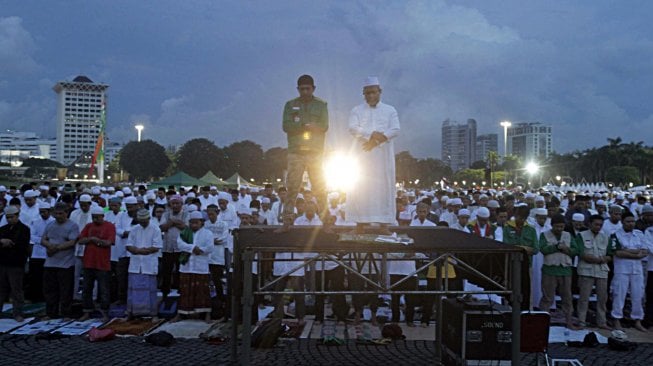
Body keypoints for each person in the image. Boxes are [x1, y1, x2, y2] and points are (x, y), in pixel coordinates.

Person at [347, 76, 400, 234]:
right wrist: (371, 134)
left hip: (383, 157)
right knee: (360, 187)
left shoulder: (390, 110)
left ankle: (384, 225)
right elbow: (352, 128)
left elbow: (395, 129)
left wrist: (376, 142)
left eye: (373, 92)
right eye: (367, 93)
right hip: (362, 156)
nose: (370, 96)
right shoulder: (356, 110)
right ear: (363, 93)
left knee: (383, 188)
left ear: (380, 92)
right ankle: (360, 225)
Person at [278, 74, 328, 231]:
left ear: (313, 88)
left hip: (315, 152)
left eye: (308, 88)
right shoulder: (290, 105)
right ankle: (287, 222)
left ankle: (327, 223)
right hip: (296, 151)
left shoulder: (321, 105)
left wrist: (306, 126)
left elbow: (325, 126)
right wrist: (305, 127)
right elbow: (286, 126)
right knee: (292, 187)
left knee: (319, 187)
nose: (305, 91)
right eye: (302, 89)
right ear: (297, 89)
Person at [538, 214, 580, 329]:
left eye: (561, 227)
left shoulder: (568, 235)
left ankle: (569, 322)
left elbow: (576, 250)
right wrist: (556, 247)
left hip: (565, 270)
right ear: (552, 226)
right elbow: (542, 249)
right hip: (549, 270)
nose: (559, 229)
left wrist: (566, 249)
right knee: (547, 298)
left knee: (567, 298)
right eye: (557, 227)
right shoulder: (544, 235)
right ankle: (542, 324)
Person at [172, 211, 214, 322]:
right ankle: (181, 313)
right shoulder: (185, 232)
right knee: (185, 291)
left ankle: (206, 314)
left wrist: (200, 250)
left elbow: (210, 247)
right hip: (186, 266)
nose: (194, 225)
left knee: (202, 291)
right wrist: (192, 248)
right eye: (191, 223)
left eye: (196, 222)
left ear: (202, 222)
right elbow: (180, 244)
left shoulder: (208, 233)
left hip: (201, 267)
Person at [41, 203, 80, 320]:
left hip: (66, 263)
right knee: (50, 290)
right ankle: (51, 313)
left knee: (66, 290)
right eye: (56, 214)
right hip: (50, 262)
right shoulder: (50, 225)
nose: (58, 216)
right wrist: (49, 246)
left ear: (66, 213)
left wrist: (55, 248)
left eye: (61, 213)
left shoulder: (73, 226)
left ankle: (66, 313)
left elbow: (72, 242)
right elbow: (43, 240)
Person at [610, 212, 648, 331]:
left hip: (637, 270)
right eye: (628, 221)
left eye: (633, 221)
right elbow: (617, 252)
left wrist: (628, 251)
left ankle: (637, 320)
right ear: (622, 222)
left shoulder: (639, 234)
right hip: (622, 269)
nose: (631, 224)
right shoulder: (615, 235)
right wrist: (636, 253)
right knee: (619, 294)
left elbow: (645, 251)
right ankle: (616, 319)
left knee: (638, 295)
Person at [78, 207, 116, 322]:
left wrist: (94, 240)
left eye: (97, 217)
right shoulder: (89, 226)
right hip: (88, 262)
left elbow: (109, 242)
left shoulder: (109, 226)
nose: (95, 219)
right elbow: (80, 240)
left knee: (104, 289)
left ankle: (105, 312)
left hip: (102, 263)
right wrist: (94, 239)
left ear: (102, 216)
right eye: (93, 217)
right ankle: (87, 311)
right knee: (86, 288)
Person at [125, 209, 162, 321]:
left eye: (145, 221)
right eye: (141, 221)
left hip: (149, 264)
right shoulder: (134, 229)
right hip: (136, 264)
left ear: (149, 219)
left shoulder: (155, 229)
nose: (143, 223)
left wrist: (140, 251)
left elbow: (157, 246)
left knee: (150, 290)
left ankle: (153, 314)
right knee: (133, 290)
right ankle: (131, 312)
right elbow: (128, 245)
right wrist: (138, 250)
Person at [576, 214, 612, 330]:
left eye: (600, 225)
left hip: (602, 271)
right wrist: (599, 259)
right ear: (589, 224)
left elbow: (610, 254)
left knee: (602, 298)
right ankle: (581, 320)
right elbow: (581, 253)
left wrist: (603, 259)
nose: (598, 227)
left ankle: (602, 322)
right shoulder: (581, 236)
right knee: (584, 297)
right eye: (596, 224)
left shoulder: (606, 237)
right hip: (586, 270)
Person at [0, 206, 30, 322]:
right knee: (1, 289)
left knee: (16, 289)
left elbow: (20, 245)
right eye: (7, 218)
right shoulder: (3, 229)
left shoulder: (24, 229)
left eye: (11, 217)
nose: (9, 220)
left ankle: (18, 313)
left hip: (16, 263)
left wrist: (7, 242)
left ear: (17, 216)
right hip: (2, 263)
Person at [159, 195, 188, 300]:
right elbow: (162, 227)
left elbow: (187, 227)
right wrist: (176, 223)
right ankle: (165, 294)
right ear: (170, 204)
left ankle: (181, 295)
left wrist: (172, 222)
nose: (175, 205)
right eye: (173, 203)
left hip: (182, 248)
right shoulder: (165, 214)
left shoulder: (186, 214)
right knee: (166, 272)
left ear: (181, 204)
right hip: (168, 248)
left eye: (177, 203)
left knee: (181, 271)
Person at [26, 202, 55, 302]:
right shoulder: (35, 221)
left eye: (44, 212)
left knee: (47, 277)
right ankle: (34, 297)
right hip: (37, 253)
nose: (42, 214)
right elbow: (31, 236)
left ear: (49, 211)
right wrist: (43, 240)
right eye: (40, 212)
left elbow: (54, 237)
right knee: (35, 276)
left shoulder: (54, 222)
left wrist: (43, 240)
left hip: (49, 253)